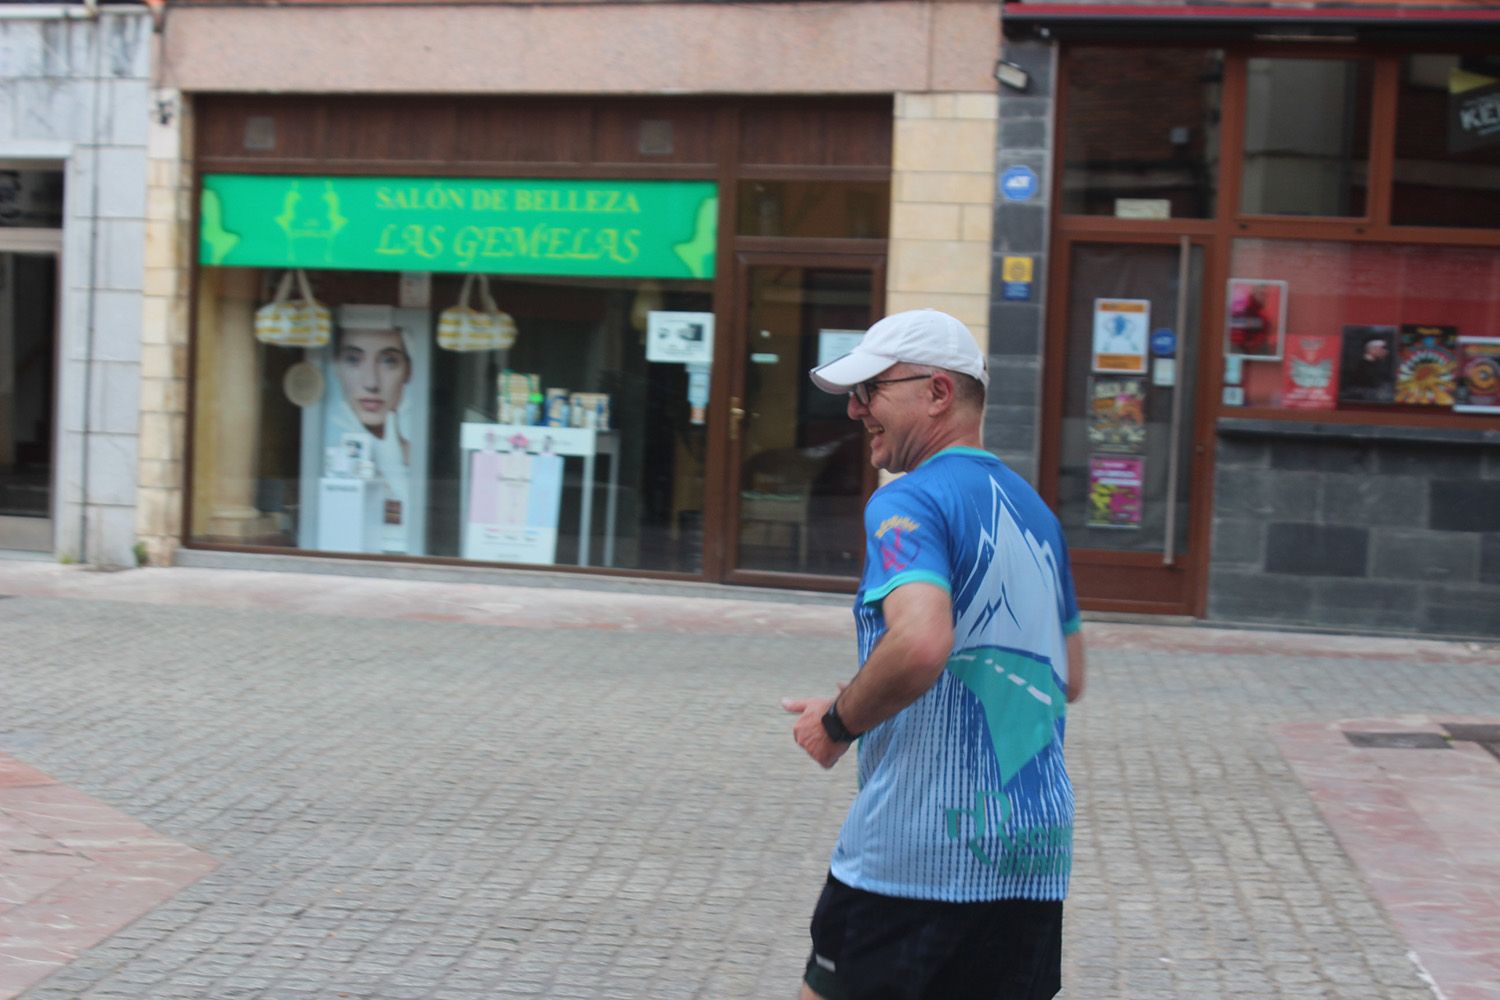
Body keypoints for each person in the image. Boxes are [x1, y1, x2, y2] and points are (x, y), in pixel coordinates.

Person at [782, 308, 1086, 1000]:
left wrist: (838, 724)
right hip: (1029, 859)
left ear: (938, 393)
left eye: (871, 391)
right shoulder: (1037, 513)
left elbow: (919, 643)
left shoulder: (909, 502)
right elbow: (1069, 675)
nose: (857, 410)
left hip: (915, 858)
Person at [331, 325, 412, 527]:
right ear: (336, 369)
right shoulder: (326, 450)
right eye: (353, 359)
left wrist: (393, 465)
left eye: (389, 361)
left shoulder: (418, 457)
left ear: (408, 372)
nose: (371, 382)